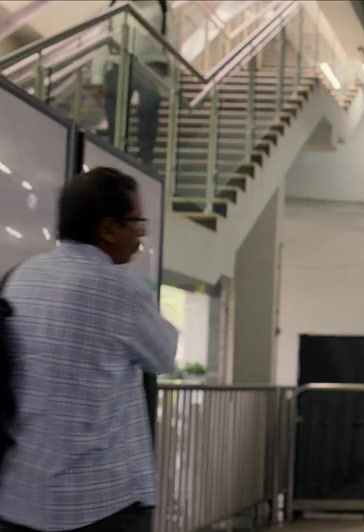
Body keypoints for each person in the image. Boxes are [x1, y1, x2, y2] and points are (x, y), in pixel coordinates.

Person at [0, 167, 178, 531]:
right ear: (108, 228)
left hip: (19, 494)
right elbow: (164, 356)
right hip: (98, 499)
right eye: (137, 222)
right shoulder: (120, 288)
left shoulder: (20, 276)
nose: (141, 234)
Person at [94, 0, 172, 168]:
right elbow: (103, 41)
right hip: (119, 62)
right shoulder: (115, 5)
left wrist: (173, 74)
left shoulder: (160, 5)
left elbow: (172, 39)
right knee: (116, 112)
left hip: (152, 63)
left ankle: (146, 159)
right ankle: (117, 155)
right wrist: (97, 77)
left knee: (148, 108)